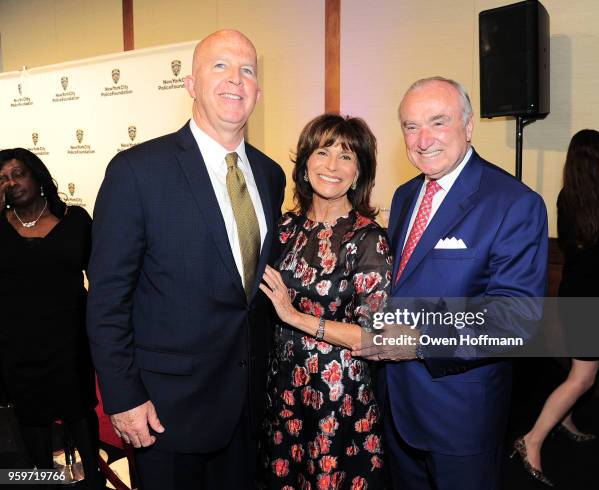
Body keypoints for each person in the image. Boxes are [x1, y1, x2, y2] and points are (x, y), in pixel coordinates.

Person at [86, 29, 285, 490]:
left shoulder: (271, 175)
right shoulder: (136, 171)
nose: (236, 79)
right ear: (190, 84)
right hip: (164, 411)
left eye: (248, 70)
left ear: (258, 89)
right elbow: (108, 299)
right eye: (220, 66)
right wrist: (123, 397)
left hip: (247, 408)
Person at [352, 77, 549, 490]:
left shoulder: (513, 203)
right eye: (410, 126)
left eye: (437, 122)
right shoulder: (407, 195)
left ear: (469, 126)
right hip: (397, 406)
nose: (423, 140)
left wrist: (421, 340)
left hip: (460, 416)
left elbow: (517, 320)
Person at [259, 114, 391, 488]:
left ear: (359, 172)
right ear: (304, 164)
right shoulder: (285, 228)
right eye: (323, 152)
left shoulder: (366, 240)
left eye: (347, 156)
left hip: (338, 397)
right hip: (284, 390)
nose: (333, 166)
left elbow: (376, 337)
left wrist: (295, 317)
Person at [0, 148, 101, 489]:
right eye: (2, 179)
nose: (11, 183)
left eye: (18, 174)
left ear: (37, 175)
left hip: (70, 341)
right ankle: (42, 481)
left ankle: (93, 480)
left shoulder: (75, 220)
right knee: (32, 423)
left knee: (80, 414)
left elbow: (101, 279)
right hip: (17, 346)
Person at [516, 129, 599, 486]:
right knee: (583, 376)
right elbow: (593, 254)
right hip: (584, 298)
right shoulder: (585, 201)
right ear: (596, 160)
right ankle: (532, 439)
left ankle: (565, 420)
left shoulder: (575, 197)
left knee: (589, 365)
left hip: (583, 295)